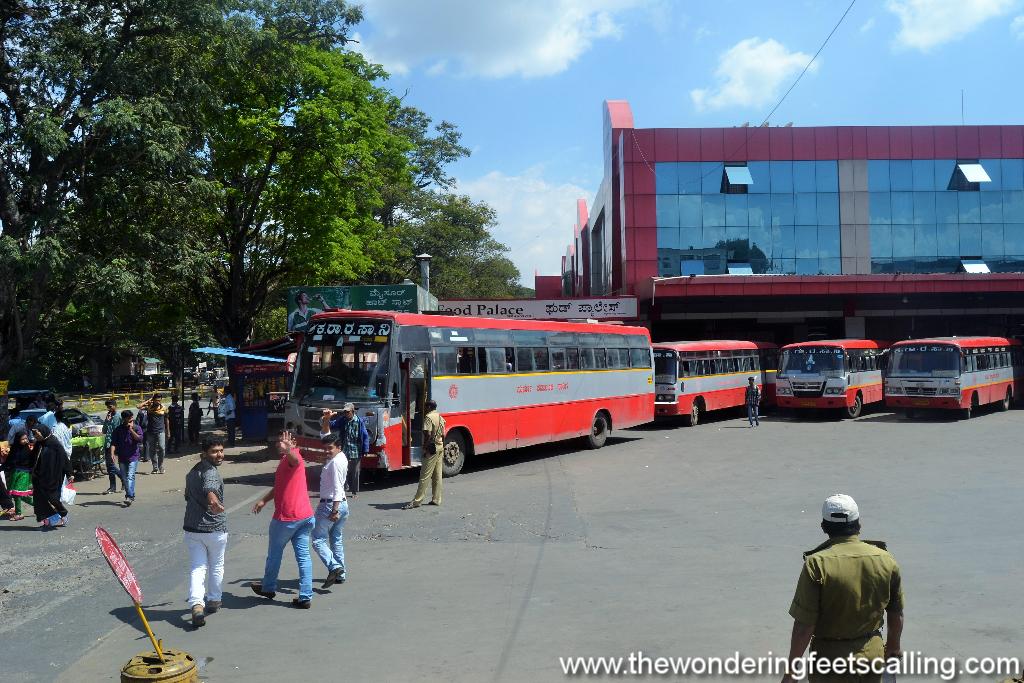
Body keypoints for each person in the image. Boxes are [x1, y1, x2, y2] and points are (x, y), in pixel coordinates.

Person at [781, 494, 904, 683]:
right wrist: (893, 649)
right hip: (873, 657)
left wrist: (791, 674)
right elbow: (896, 612)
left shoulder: (817, 564)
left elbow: (804, 626)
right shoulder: (885, 559)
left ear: (824, 527)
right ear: (858, 524)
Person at [250, 431, 315, 608]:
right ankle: (305, 596)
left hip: (287, 518)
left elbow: (295, 460)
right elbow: (280, 486)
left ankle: (269, 587)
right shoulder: (285, 460)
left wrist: (289, 451)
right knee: (303, 557)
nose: (279, 444)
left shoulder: (294, 458)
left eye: (284, 441)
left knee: (274, 554)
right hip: (305, 516)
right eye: (279, 441)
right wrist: (264, 500)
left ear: (293, 442)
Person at [182, 438, 227, 628]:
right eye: (215, 451)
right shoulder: (210, 472)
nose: (219, 455)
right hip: (214, 529)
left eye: (221, 450)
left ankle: (197, 605)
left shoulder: (192, 472)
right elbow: (210, 488)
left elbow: (186, 495)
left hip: (192, 529)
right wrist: (213, 502)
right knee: (216, 565)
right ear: (205, 454)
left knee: (197, 567)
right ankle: (214, 600)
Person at [311, 432, 349, 589]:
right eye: (325, 448)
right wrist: (326, 421)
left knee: (317, 540)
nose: (327, 451)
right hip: (343, 504)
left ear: (338, 447)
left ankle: (334, 567)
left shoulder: (334, 463)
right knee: (336, 538)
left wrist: (334, 510)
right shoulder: (341, 457)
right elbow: (327, 435)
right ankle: (341, 573)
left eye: (330, 448)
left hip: (331, 504)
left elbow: (337, 487)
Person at [403, 399, 446, 509]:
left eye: (426, 407)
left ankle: (417, 501)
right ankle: (436, 499)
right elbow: (444, 435)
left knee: (425, 476)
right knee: (437, 476)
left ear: (429, 407)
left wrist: (425, 448)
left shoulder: (428, 417)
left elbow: (428, 434)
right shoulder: (440, 418)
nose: (425, 409)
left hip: (431, 449)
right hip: (440, 447)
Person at [319, 403, 369, 497]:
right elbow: (332, 425)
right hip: (344, 450)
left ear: (353, 411)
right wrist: (325, 419)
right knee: (343, 470)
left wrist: (365, 450)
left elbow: (365, 436)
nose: (346, 413)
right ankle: (343, 488)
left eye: (348, 412)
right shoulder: (342, 420)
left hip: (355, 451)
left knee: (355, 472)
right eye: (345, 412)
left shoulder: (359, 421)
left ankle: (354, 492)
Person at [31, 424, 73, 529]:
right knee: (40, 499)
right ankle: (48, 520)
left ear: (43, 431)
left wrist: (69, 473)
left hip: (53, 476)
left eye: (37, 433)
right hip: (39, 477)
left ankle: (63, 513)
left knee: (53, 498)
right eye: (34, 434)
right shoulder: (39, 444)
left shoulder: (54, 443)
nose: (35, 436)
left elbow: (64, 459)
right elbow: (32, 458)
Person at [110, 410, 144, 507]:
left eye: (131, 418)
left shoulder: (136, 428)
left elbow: (139, 439)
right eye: (128, 418)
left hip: (133, 456)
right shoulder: (118, 430)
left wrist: (131, 430)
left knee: (130, 476)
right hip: (122, 457)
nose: (130, 420)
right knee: (124, 478)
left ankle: (129, 496)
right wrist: (112, 453)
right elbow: (113, 443)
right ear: (123, 419)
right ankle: (131, 495)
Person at [3, 433, 34, 520]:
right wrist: (3, 467)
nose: (25, 441)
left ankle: (18, 514)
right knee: (20, 495)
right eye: (22, 439)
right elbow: (9, 460)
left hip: (24, 474)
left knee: (17, 494)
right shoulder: (14, 449)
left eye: (26, 439)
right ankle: (42, 505)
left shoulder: (28, 449)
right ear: (18, 440)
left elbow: (32, 463)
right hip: (14, 473)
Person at [138, 394, 169, 473]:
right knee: (152, 449)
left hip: (161, 431)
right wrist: (148, 401)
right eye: (157, 400)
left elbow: (167, 420)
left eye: (160, 400)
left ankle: (160, 466)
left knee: (162, 448)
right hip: (150, 431)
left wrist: (168, 431)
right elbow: (138, 406)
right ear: (153, 400)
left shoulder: (163, 408)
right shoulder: (149, 406)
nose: (158, 402)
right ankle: (155, 467)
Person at [101, 400, 123, 494]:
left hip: (114, 444)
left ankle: (123, 478)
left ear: (115, 406)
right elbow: (104, 431)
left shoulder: (118, 417)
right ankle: (112, 487)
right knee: (109, 466)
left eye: (110, 407)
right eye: (108, 407)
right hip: (108, 443)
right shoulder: (109, 417)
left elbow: (119, 430)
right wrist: (107, 420)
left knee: (110, 465)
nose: (109, 409)